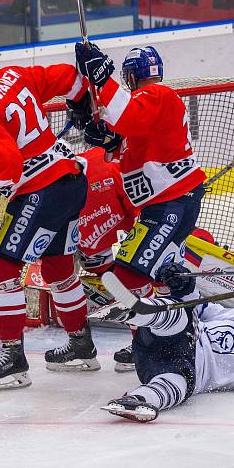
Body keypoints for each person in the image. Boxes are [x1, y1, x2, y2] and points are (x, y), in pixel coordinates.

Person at [0, 44, 99, 392]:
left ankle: (13, 360)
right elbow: (69, 77)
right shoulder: (14, 74)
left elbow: (7, 166)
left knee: (0, 270)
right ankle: (81, 345)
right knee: (58, 267)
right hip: (73, 181)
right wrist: (80, 105)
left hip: (41, 190)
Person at [71, 43, 207, 320]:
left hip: (171, 203)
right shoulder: (151, 105)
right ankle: (177, 327)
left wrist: (102, 78)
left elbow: (127, 116)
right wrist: (108, 139)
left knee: (129, 275)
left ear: (130, 76)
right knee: (153, 272)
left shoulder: (155, 94)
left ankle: (162, 331)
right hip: (169, 202)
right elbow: (126, 150)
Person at [93, 262, 234, 423]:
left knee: (180, 385)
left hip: (166, 368)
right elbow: (200, 307)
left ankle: (137, 400)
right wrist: (184, 286)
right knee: (181, 315)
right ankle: (131, 312)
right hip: (172, 338)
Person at [75, 146, 138, 371]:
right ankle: (78, 344)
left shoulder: (113, 171)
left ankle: (145, 342)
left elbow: (143, 217)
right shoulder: (53, 188)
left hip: (130, 248)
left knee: (136, 283)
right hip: (98, 259)